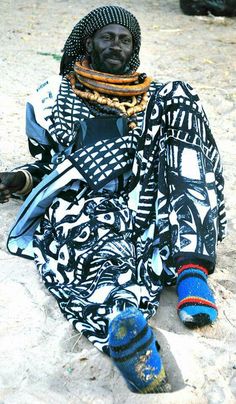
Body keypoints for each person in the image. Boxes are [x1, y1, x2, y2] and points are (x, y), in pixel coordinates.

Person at [0, 5, 226, 394]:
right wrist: (18, 180)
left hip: (155, 191)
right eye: (108, 37)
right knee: (94, 240)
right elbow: (49, 165)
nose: (116, 45)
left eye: (125, 39)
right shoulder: (52, 97)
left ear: (133, 48)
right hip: (91, 196)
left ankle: (192, 271)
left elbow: (192, 157)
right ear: (89, 42)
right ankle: (129, 337)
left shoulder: (157, 97)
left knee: (180, 92)